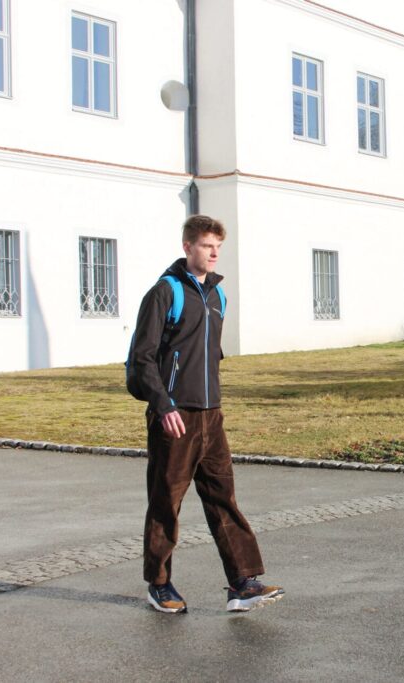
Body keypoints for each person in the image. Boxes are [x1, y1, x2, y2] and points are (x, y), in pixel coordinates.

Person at [129, 214, 283, 614]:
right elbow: (142, 359)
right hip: (174, 417)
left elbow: (209, 355)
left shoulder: (218, 296)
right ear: (187, 247)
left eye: (218, 246)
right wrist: (163, 405)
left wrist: (213, 403)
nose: (214, 253)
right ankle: (159, 584)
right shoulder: (165, 292)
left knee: (223, 499)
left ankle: (242, 583)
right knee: (166, 502)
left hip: (211, 416)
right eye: (206, 245)